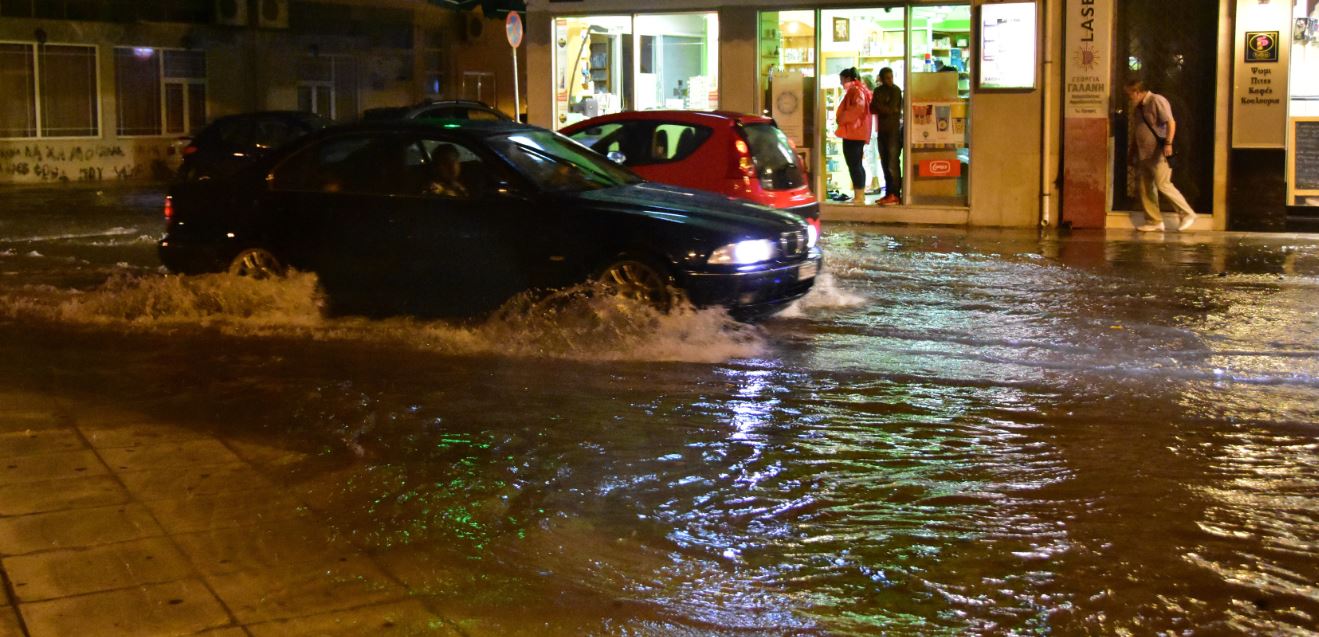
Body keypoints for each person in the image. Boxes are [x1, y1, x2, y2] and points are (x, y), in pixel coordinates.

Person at [1124, 79, 1197, 232]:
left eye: (1130, 94)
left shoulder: (1157, 100)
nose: (1129, 98)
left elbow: (1171, 122)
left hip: (1158, 152)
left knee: (1163, 184)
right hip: (1143, 152)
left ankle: (1186, 213)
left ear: (1137, 92)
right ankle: (1154, 221)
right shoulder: (1138, 108)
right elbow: (1137, 131)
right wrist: (1132, 152)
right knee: (1145, 186)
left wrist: (1168, 143)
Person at [834, 67, 872, 205]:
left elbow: (856, 109)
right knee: (856, 164)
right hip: (856, 132)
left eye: (842, 80)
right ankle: (858, 195)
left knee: (854, 164)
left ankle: (859, 196)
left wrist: (842, 118)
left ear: (848, 79)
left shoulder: (855, 90)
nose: (841, 83)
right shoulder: (859, 89)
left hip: (853, 132)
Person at [870, 66, 903, 206]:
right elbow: (872, 108)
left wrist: (880, 106)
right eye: (887, 78)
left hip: (893, 131)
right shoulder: (878, 91)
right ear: (882, 78)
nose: (890, 80)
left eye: (891, 77)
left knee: (892, 163)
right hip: (882, 131)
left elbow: (891, 109)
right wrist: (884, 107)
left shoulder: (895, 90)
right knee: (885, 163)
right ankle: (888, 193)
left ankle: (895, 193)